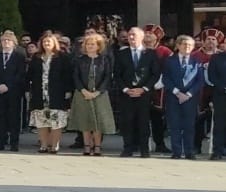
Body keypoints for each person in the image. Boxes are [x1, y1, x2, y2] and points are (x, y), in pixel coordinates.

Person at [26, 32, 74, 155]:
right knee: (41, 121)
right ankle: (43, 145)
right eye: (44, 42)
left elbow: (68, 75)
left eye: (49, 42)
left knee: (56, 121)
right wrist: (27, 90)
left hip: (57, 93)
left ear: (54, 43)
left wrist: (68, 91)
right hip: (39, 94)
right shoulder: (36, 57)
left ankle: (54, 145)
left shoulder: (62, 57)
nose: (46, 44)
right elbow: (29, 75)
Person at [114, 26, 158, 158]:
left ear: (142, 37)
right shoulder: (121, 54)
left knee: (143, 122)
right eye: (130, 35)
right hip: (126, 94)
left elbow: (155, 74)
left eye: (134, 35)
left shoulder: (150, 53)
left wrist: (144, 89)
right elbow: (117, 74)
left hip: (143, 94)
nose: (131, 37)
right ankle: (128, 148)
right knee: (127, 122)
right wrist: (126, 89)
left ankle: (144, 149)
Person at [70, 30, 116, 157]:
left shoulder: (104, 60)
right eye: (88, 44)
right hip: (82, 93)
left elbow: (108, 77)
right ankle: (86, 146)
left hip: (99, 94)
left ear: (98, 46)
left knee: (98, 122)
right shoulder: (80, 60)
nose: (90, 46)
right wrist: (83, 90)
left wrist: (97, 92)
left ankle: (97, 146)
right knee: (85, 120)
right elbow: (76, 76)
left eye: (93, 44)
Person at [162, 36, 204, 160]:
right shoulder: (170, 61)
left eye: (190, 45)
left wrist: (188, 94)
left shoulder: (196, 62)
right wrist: (177, 92)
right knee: (174, 125)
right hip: (174, 97)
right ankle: (176, 152)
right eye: (184, 44)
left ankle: (189, 151)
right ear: (178, 45)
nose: (187, 47)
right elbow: (166, 78)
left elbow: (199, 81)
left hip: (190, 99)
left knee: (189, 126)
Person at [0, 30, 27, 152]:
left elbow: (20, 74)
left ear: (14, 43)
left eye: (8, 40)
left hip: (13, 91)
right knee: (0, 117)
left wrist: (8, 85)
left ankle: (14, 143)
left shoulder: (19, 57)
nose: (6, 42)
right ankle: (1, 141)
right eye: (3, 40)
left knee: (14, 117)